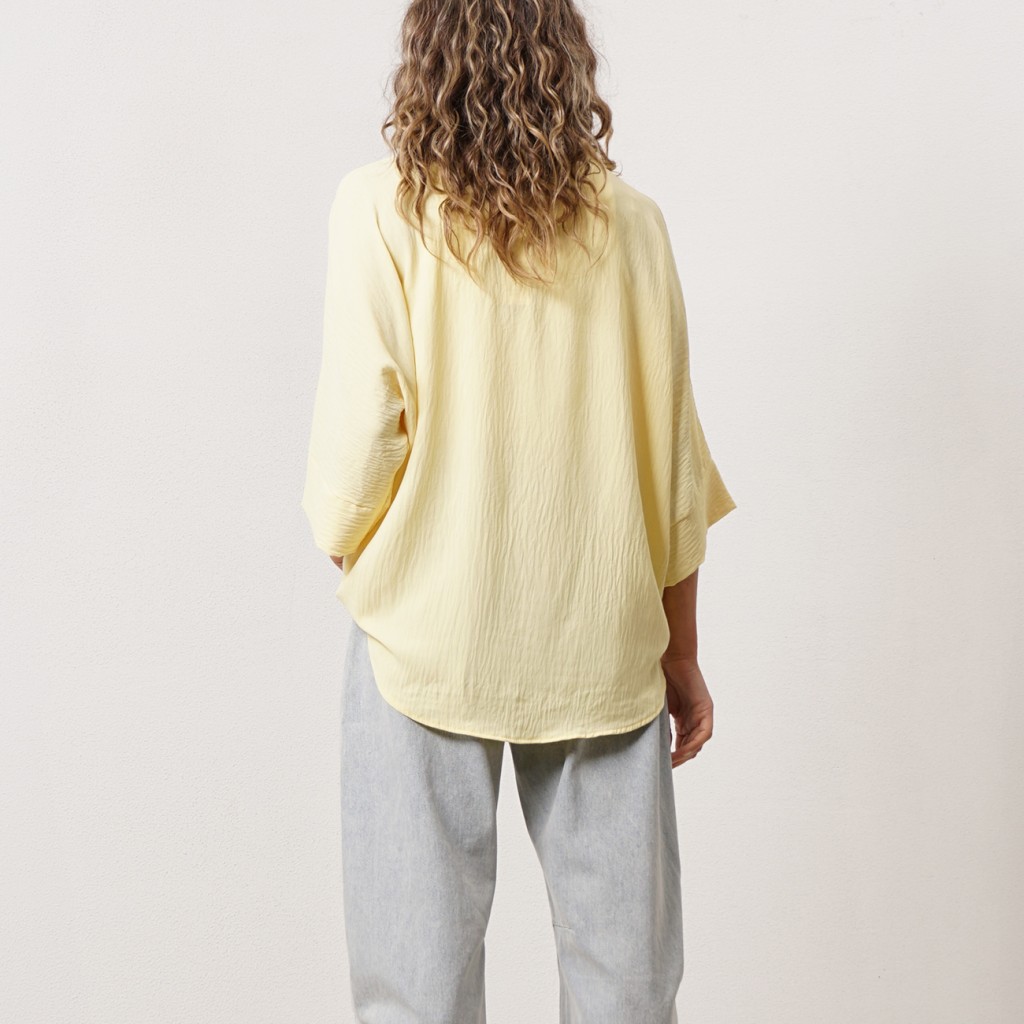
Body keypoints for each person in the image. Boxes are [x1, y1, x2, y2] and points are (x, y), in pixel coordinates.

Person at [300, 1, 738, 1020]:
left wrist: (361, 550)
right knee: (627, 982)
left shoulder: (377, 209)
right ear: (563, 56)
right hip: (600, 642)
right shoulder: (634, 226)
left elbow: (360, 448)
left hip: (426, 642)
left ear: (429, 53)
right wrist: (679, 651)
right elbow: (670, 466)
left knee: (415, 988)